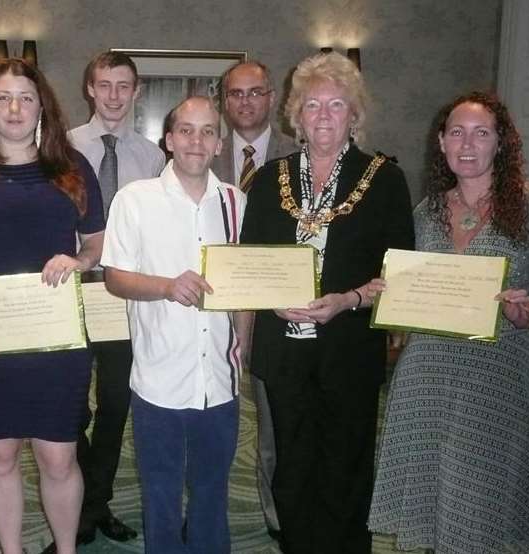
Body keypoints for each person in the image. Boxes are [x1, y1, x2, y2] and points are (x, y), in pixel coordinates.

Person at [368, 91, 529, 553]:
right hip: (428, 375)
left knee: (484, 499)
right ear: (441, 142)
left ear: (502, 143)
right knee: (434, 495)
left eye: (482, 133)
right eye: (456, 132)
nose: (467, 144)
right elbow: (407, 284)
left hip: (497, 377)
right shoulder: (426, 212)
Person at [239, 52, 414, 554]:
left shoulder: (384, 179)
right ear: (296, 114)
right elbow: (251, 264)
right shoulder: (270, 179)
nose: (323, 115)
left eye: (336, 104)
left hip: (349, 351)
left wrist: (347, 300)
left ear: (353, 114)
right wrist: (270, 305)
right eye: (312, 104)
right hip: (284, 351)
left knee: (345, 464)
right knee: (291, 464)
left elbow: (396, 276)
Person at [0, 58, 104, 554]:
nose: (14, 108)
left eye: (26, 97)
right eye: (3, 97)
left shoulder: (72, 167)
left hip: (58, 338)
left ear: (42, 107)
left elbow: (97, 244)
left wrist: (76, 259)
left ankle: (66, 549)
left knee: (59, 457)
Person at [101, 96, 248, 554]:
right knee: (161, 496)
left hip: (220, 381)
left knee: (212, 492)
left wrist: (245, 338)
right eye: (186, 130)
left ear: (219, 142)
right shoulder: (134, 201)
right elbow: (115, 277)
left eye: (207, 131)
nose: (196, 141)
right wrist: (166, 286)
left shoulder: (236, 202)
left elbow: (245, 284)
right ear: (168, 139)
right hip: (159, 380)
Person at [60, 51, 165, 550]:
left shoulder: (151, 157)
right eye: (104, 85)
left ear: (136, 90)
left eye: (124, 86)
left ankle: (95, 502)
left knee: (117, 402)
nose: (114, 96)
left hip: (125, 293)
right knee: (70, 404)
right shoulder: (59, 149)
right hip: (73, 291)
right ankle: (81, 499)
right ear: (89, 88)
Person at [211, 59, 294, 541]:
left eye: (255, 92)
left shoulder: (297, 158)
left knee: (273, 427)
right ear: (226, 102)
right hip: (209, 310)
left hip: (275, 314)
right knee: (208, 421)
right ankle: (205, 509)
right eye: (236, 94)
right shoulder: (203, 150)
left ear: (272, 99)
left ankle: (276, 514)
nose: (245, 102)